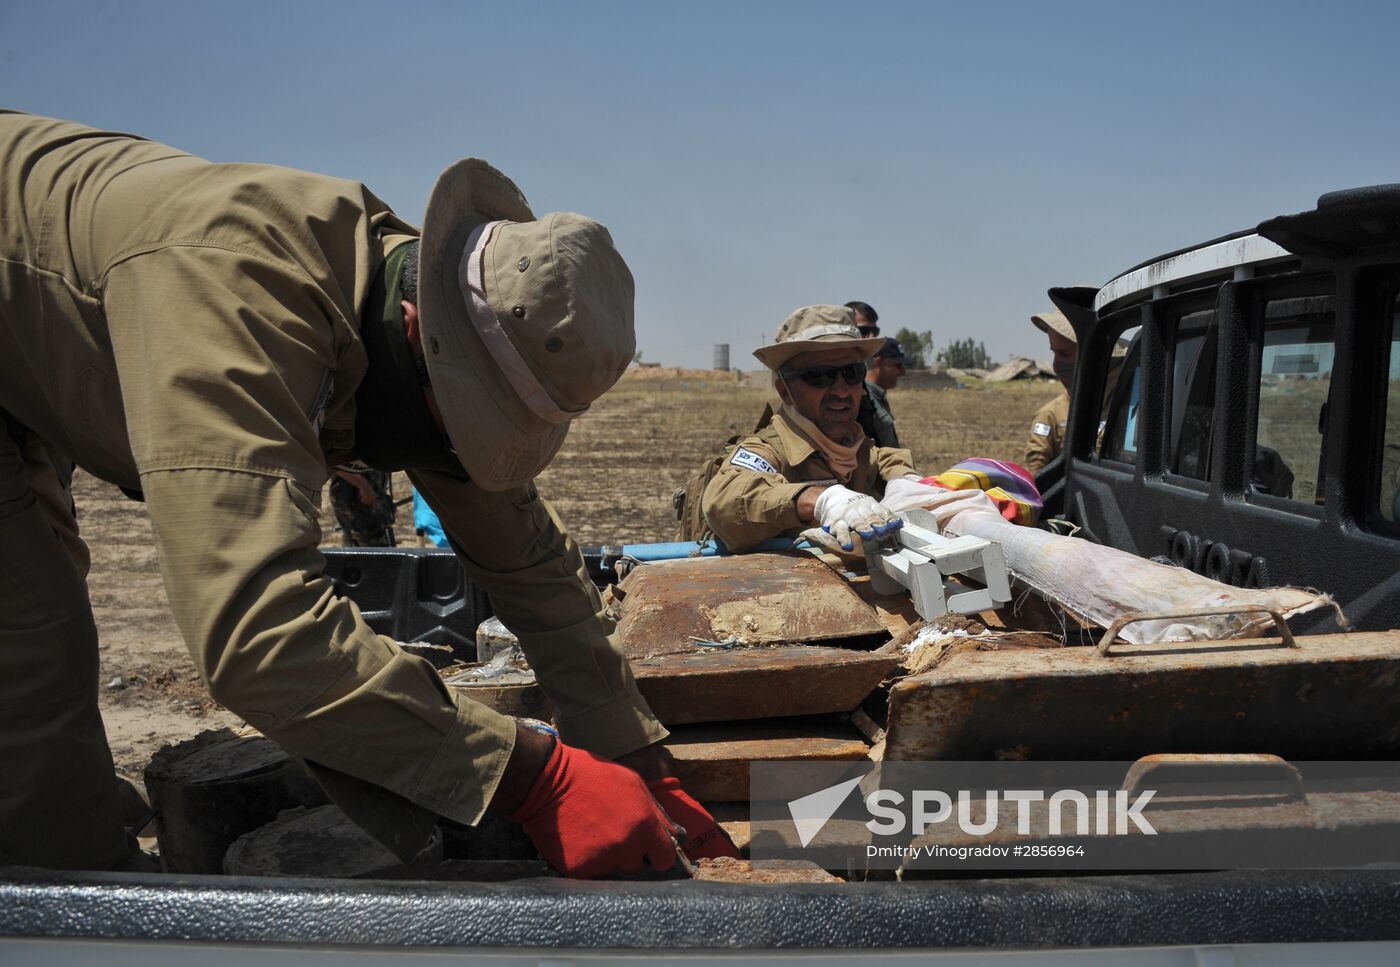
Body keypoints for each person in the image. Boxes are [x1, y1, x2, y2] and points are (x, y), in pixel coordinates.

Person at [0, 111, 735, 876]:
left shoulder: (439, 314)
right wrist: (535, 776)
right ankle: (72, 922)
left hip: (42, 325)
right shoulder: (243, 303)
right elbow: (259, 636)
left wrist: (635, 754)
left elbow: (527, 557)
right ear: (420, 327)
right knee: (30, 654)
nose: (466, 451)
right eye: (471, 421)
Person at [702, 305, 915, 551]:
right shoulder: (769, 450)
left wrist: (908, 483)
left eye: (852, 373)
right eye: (819, 376)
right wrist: (817, 499)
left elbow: (885, 459)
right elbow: (723, 499)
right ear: (785, 391)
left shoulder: (856, 448)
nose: (842, 391)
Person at [1024, 310, 1077, 474]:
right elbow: (1037, 475)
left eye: (1065, 353)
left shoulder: (1124, 405)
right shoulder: (1049, 415)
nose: (1057, 365)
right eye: (1055, 353)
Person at [857, 338, 907, 448]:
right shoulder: (863, 399)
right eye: (898, 366)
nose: (903, 372)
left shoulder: (877, 395)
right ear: (879, 362)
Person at [329, 468, 396, 546]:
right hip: (354, 496)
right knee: (365, 545)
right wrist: (362, 485)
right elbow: (336, 466)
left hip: (372, 494)